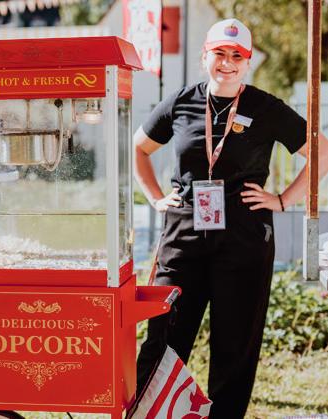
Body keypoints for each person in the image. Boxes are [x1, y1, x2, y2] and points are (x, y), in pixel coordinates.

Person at [134, 18, 328, 418]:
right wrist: (154, 197)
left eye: (237, 56)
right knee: (163, 336)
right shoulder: (181, 102)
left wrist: (283, 199)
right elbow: (139, 149)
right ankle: (147, 413)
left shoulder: (266, 107)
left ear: (248, 61)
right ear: (205, 55)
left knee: (235, 345)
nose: (227, 62)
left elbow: (320, 152)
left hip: (244, 235)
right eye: (219, 53)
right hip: (183, 233)